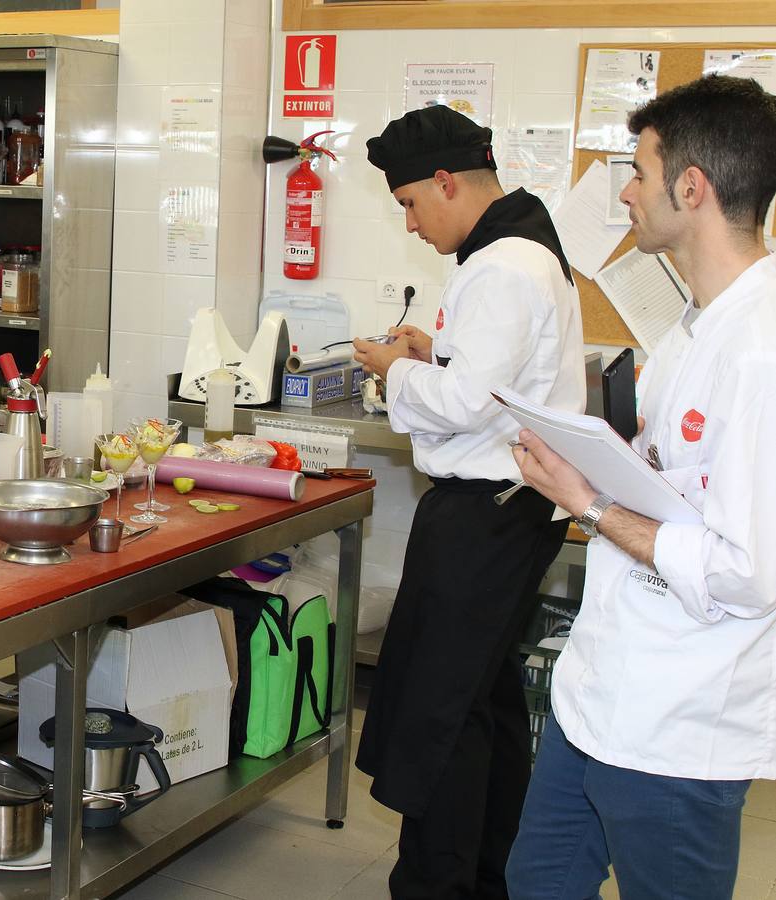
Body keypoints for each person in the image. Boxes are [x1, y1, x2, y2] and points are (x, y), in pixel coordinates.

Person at [506, 75, 776, 900]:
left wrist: (588, 502)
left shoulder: (758, 351)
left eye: (639, 172)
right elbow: (678, 487)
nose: (625, 192)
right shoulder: (695, 325)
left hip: (679, 720)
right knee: (539, 882)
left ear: (690, 189)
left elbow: (748, 571)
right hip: (597, 695)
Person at [350, 104, 586, 898]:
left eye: (412, 204)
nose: (411, 225)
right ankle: (491, 874)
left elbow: (461, 405)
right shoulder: (515, 248)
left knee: (437, 715)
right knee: (479, 700)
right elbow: (494, 376)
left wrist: (392, 367)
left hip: (486, 512)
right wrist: (435, 350)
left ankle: (435, 885)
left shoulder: (503, 265)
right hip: (512, 509)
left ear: (446, 181)